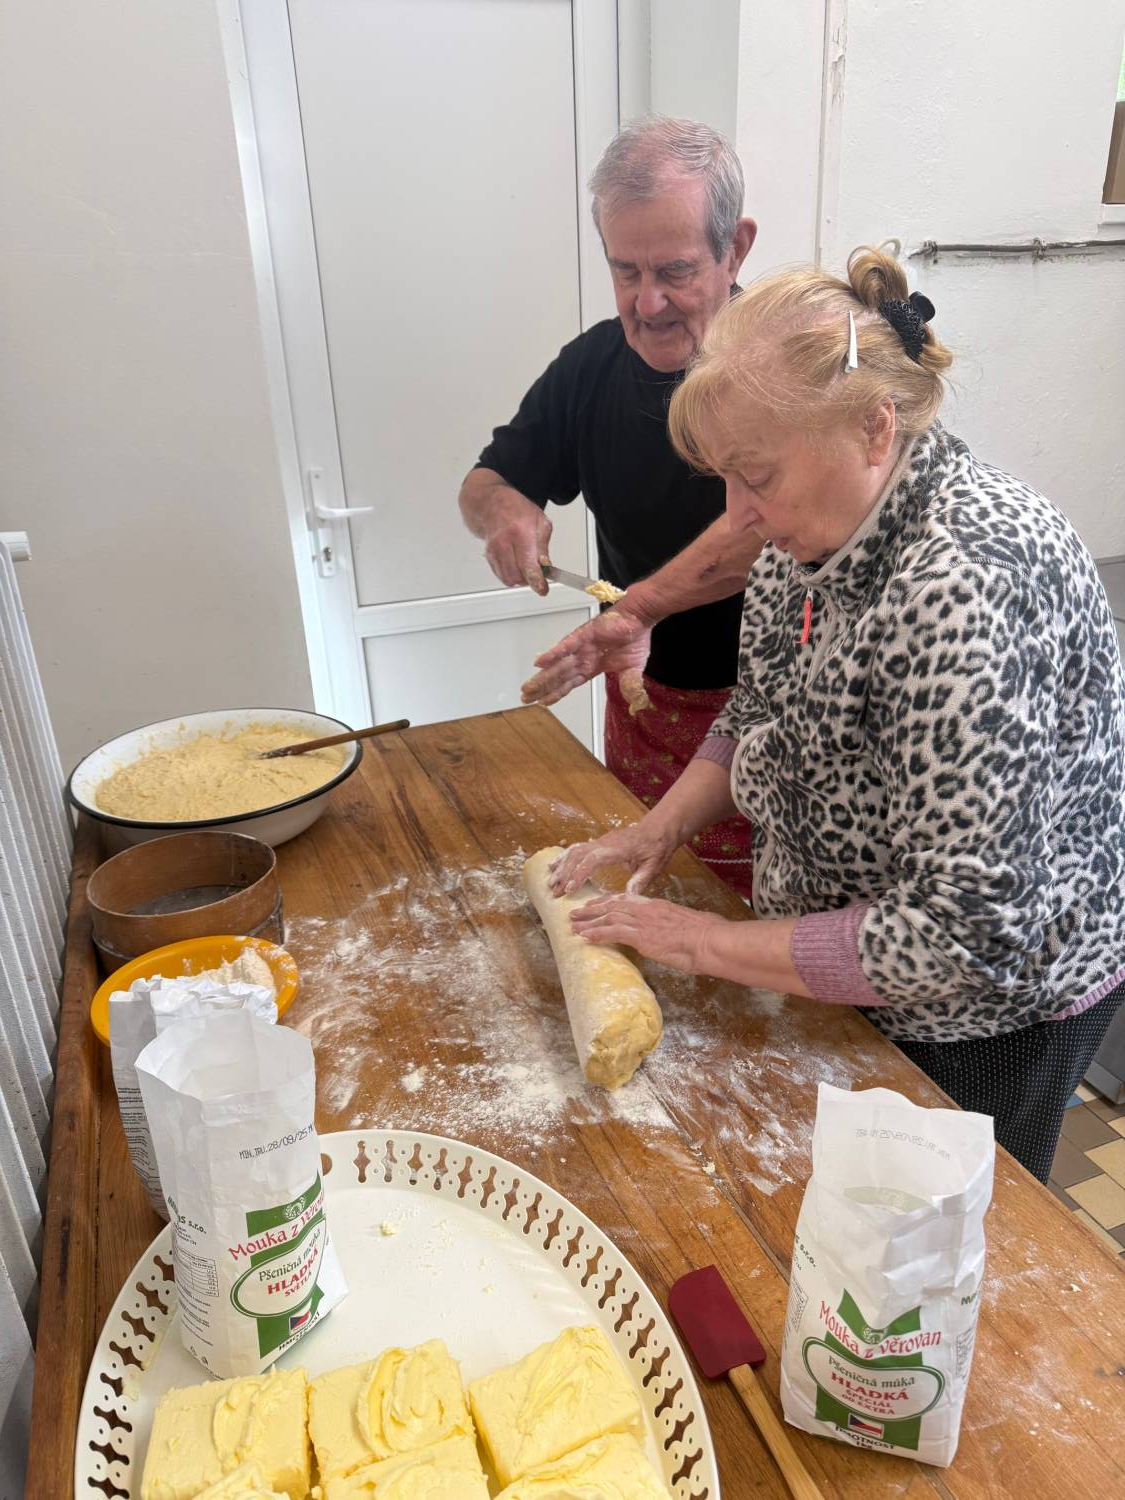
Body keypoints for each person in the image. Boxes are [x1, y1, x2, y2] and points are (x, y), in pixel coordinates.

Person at [547, 244, 1125, 1182]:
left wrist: (703, 942)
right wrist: (659, 829)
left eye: (756, 476)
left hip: (986, 1016)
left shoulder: (964, 587)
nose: (737, 513)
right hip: (854, 964)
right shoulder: (808, 537)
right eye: (724, 477)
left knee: (930, 1227)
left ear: (872, 428)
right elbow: (759, 705)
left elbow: (959, 934)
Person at [459, 117, 762, 896]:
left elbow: (760, 529)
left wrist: (638, 608)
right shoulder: (591, 366)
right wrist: (504, 513)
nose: (647, 301)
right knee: (645, 901)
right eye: (624, 271)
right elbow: (485, 480)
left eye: (674, 271)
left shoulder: (787, 369)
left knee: (746, 931)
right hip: (641, 699)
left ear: (735, 249)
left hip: (769, 717)